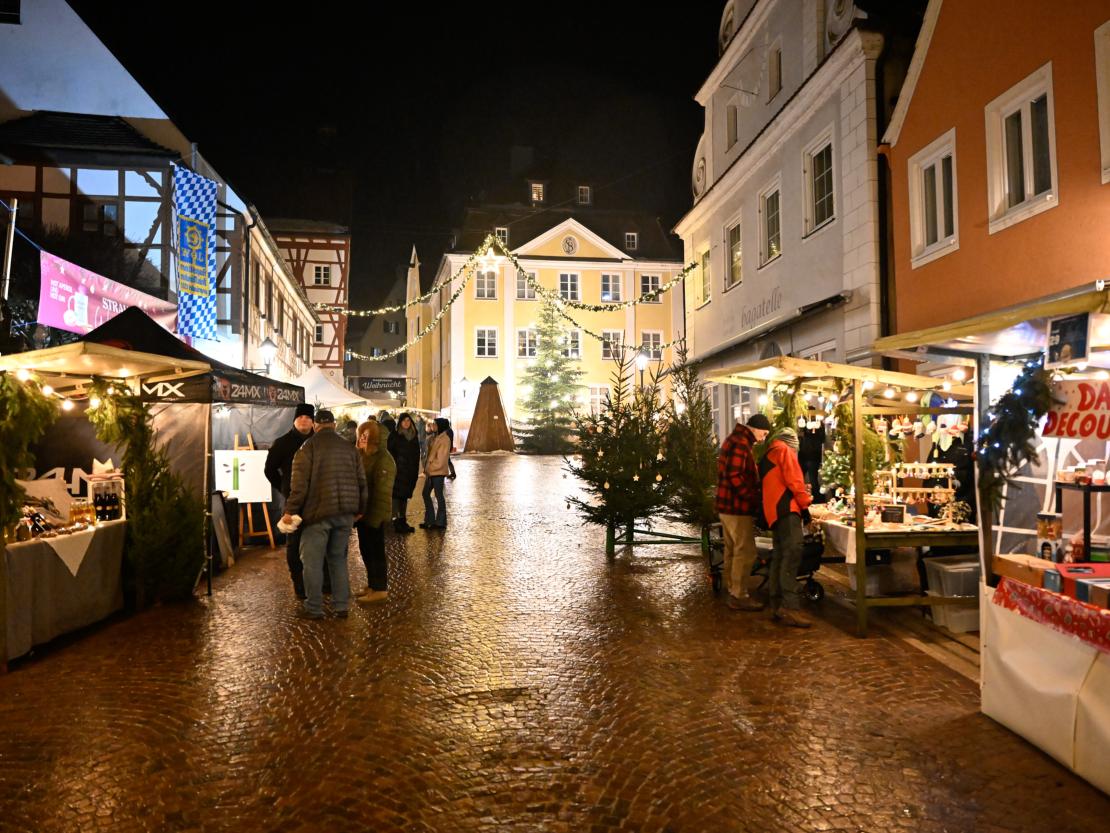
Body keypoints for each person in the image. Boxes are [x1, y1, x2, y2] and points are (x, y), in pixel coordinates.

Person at [281, 409, 368, 620]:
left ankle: (314, 608)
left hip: (317, 514)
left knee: (311, 563)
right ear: (334, 425)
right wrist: (360, 510)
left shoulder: (306, 448)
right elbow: (362, 483)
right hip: (345, 513)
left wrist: (290, 511)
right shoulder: (350, 449)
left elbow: (299, 487)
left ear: (315, 426)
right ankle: (341, 607)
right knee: (338, 560)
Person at [264, 403, 321, 600]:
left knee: (317, 542)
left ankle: (320, 583)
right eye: (301, 417)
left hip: (316, 501)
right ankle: (299, 584)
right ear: (295, 420)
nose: (304, 420)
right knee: (294, 544)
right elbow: (269, 470)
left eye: (308, 417)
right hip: (292, 503)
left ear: (313, 422)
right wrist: (283, 488)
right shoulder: (282, 442)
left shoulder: (318, 442)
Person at [759, 427, 814, 628]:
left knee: (780, 556)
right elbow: (795, 481)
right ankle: (790, 608)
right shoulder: (784, 451)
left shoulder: (768, 454)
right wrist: (805, 506)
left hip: (773, 512)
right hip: (786, 509)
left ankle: (776, 605)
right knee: (792, 554)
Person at [716, 413, 771, 611]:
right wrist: (751, 497)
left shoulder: (734, 439)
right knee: (746, 551)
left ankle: (732, 589)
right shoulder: (741, 443)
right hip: (736, 507)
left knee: (732, 549)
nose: (763, 438)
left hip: (727, 506)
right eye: (764, 433)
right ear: (754, 429)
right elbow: (734, 475)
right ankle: (739, 594)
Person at [355, 421, 396, 604]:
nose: (362, 439)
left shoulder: (383, 458)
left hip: (374, 513)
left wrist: (374, 516)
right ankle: (372, 584)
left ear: (374, 438)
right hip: (364, 513)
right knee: (366, 550)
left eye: (366, 436)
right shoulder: (364, 455)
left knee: (376, 551)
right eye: (361, 435)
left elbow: (382, 491)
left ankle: (380, 588)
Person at [388, 412, 421, 533]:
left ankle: (403, 522)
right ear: (400, 422)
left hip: (409, 474)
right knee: (397, 498)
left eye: (408, 421)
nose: (406, 423)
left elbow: (416, 455)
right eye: (404, 421)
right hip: (398, 473)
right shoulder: (395, 436)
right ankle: (397, 522)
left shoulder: (414, 436)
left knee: (404, 498)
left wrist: (415, 472)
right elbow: (390, 455)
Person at [421, 417, 451, 529]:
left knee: (439, 496)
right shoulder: (435, 437)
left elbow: (441, 460)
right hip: (431, 472)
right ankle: (430, 519)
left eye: (435, 424)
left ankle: (440, 521)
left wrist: (430, 468)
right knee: (425, 494)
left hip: (437, 472)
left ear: (440, 426)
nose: (433, 426)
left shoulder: (445, 439)